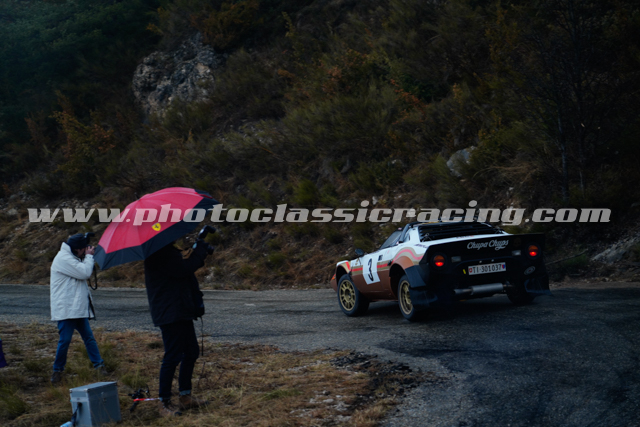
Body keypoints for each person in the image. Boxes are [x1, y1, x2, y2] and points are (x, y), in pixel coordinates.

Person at [144, 238, 210, 417]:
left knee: (191, 351)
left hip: (179, 309)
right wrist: (200, 251)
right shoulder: (159, 253)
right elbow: (183, 269)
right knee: (173, 356)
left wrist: (196, 252)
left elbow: (182, 269)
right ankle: (163, 402)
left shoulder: (164, 251)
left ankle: (185, 396)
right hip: (170, 311)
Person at [50, 233, 105, 383]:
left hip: (77, 308)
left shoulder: (72, 257)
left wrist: (86, 257)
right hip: (67, 310)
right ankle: (57, 371)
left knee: (89, 338)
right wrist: (89, 257)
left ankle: (99, 365)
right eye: (84, 248)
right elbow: (85, 272)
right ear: (77, 249)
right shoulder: (64, 259)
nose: (86, 250)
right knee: (65, 341)